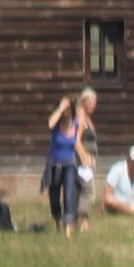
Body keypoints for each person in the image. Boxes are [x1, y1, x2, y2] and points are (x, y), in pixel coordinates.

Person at [44, 88, 96, 236]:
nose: (67, 113)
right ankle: (57, 222)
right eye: (65, 111)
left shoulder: (76, 124)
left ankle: (68, 229)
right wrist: (60, 108)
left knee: (69, 194)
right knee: (54, 197)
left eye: (68, 110)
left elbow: (78, 140)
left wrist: (86, 157)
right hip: (54, 164)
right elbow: (49, 123)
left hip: (69, 165)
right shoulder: (55, 126)